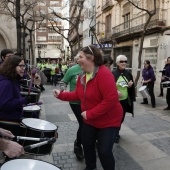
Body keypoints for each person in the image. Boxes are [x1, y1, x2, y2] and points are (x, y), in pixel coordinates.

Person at [53, 45, 123, 170]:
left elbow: (111, 100)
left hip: (108, 121)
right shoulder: (82, 75)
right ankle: (90, 167)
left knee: (104, 152)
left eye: (81, 57)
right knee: (87, 145)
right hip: (91, 120)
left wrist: (90, 114)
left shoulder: (104, 74)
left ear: (91, 58)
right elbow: (78, 94)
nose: (77, 60)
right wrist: (61, 95)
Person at [61, 55, 84, 160]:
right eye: (78, 58)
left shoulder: (91, 68)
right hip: (75, 102)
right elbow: (63, 82)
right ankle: (78, 145)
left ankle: (90, 142)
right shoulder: (72, 70)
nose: (79, 59)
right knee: (83, 124)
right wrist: (63, 91)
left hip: (89, 102)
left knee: (88, 124)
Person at [0, 55, 32, 124]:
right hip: (8, 122)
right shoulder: (6, 83)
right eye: (21, 66)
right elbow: (5, 105)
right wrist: (23, 100)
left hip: (12, 118)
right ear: (12, 67)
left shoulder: (12, 80)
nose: (23, 68)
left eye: (24, 66)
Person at [112, 55, 136, 143]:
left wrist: (130, 84)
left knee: (121, 118)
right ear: (117, 63)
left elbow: (130, 85)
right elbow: (108, 87)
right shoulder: (113, 73)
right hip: (115, 101)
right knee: (116, 118)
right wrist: (116, 91)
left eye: (125, 61)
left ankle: (116, 132)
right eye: (121, 61)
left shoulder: (128, 73)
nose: (124, 63)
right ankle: (115, 134)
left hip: (125, 100)